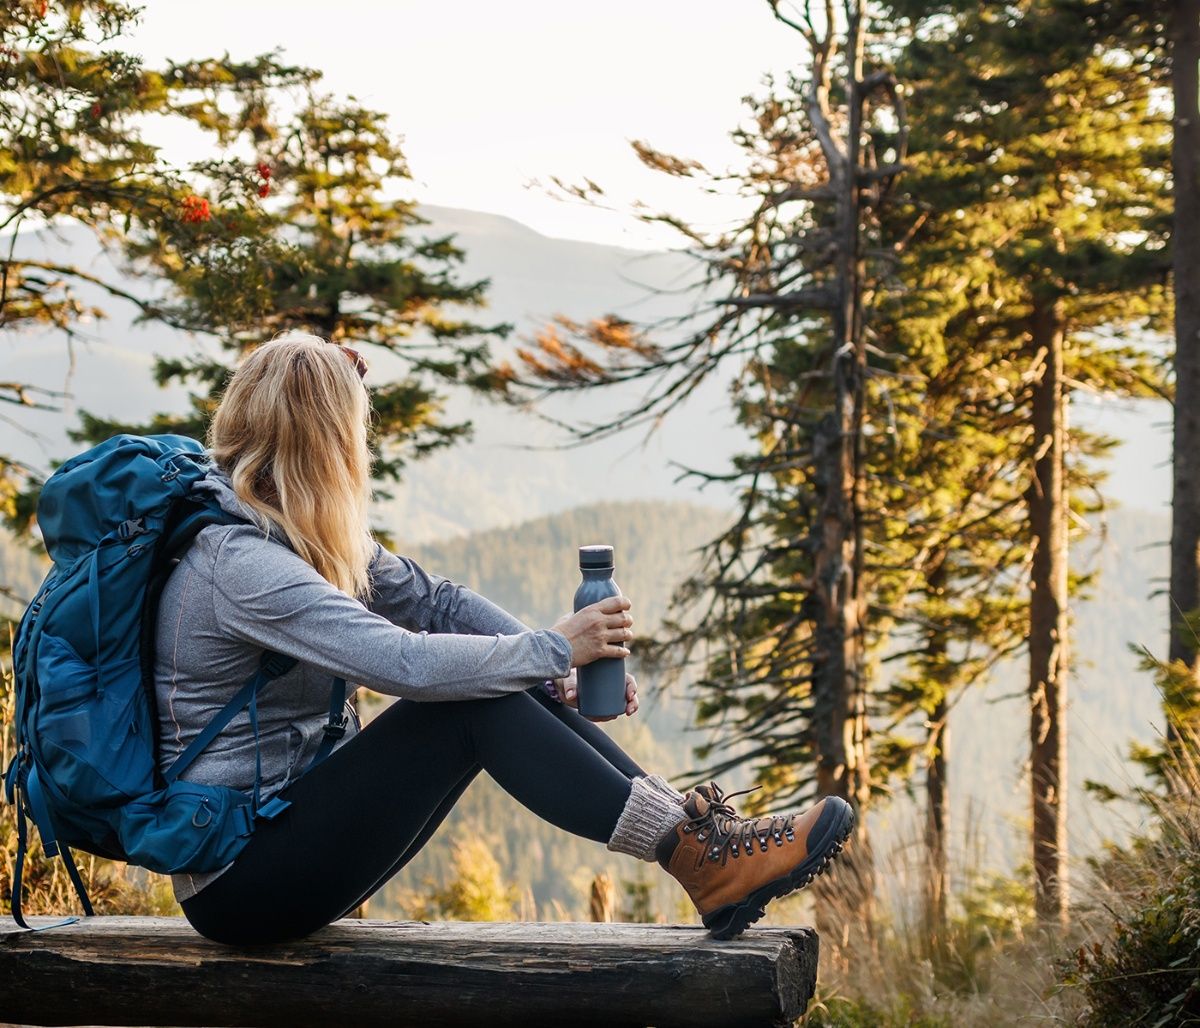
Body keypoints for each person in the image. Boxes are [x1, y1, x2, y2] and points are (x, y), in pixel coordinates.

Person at [156, 332, 854, 946]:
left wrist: (553, 671)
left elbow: (436, 601)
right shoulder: (241, 566)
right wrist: (554, 649)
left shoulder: (294, 532)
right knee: (470, 700)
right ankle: (697, 856)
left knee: (501, 678)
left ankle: (702, 844)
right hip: (240, 880)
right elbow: (405, 663)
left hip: (288, 836)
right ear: (326, 443)